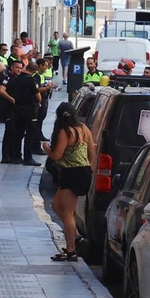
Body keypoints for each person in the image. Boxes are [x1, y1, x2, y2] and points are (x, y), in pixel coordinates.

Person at [42, 102, 93, 262]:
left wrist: (47, 149)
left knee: (69, 213)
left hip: (72, 172)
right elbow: (92, 149)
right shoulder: (84, 128)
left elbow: (57, 155)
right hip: (82, 170)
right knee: (57, 206)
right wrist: (91, 167)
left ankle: (71, 251)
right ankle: (76, 237)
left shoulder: (66, 132)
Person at [0, 58, 42, 165]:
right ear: (11, 67)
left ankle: (15, 156)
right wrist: (11, 99)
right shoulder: (10, 78)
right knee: (11, 132)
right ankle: (8, 156)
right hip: (12, 109)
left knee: (17, 133)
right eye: (16, 67)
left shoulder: (17, 78)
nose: (18, 69)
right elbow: (1, 90)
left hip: (17, 110)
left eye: (20, 67)